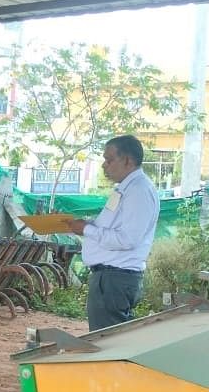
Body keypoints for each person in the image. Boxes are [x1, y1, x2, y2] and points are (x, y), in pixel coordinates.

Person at [64, 134, 159, 332]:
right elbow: (114, 229)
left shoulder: (139, 190)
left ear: (128, 160)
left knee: (109, 342)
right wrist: (87, 226)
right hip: (110, 278)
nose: (104, 166)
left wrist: (87, 229)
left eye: (109, 160)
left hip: (116, 279)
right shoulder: (125, 188)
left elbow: (127, 240)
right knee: (108, 338)